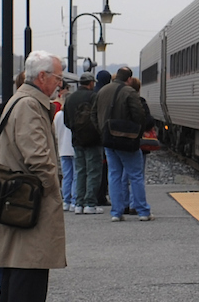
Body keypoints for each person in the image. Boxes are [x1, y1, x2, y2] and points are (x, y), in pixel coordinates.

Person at [0, 51, 67, 302]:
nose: (60, 85)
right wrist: (53, 189)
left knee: (15, 274)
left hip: (17, 200)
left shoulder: (20, 101)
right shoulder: (30, 106)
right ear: (42, 78)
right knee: (29, 274)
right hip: (30, 203)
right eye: (58, 78)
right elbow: (38, 159)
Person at [99, 66, 153, 223]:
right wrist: (137, 133)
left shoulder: (103, 91)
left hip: (108, 139)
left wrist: (103, 132)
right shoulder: (129, 92)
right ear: (129, 79)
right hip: (127, 139)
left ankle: (116, 212)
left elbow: (95, 113)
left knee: (114, 175)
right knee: (135, 175)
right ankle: (143, 211)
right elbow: (139, 115)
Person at [64, 68, 107, 214]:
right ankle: (90, 203)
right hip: (93, 140)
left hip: (76, 140)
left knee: (80, 171)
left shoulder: (70, 98)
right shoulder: (94, 97)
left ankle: (78, 203)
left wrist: (77, 130)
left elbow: (66, 121)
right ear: (90, 83)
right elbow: (99, 117)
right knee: (94, 171)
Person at [53, 90, 77, 208]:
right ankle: (74, 200)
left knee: (67, 176)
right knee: (76, 175)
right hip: (74, 147)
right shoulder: (75, 113)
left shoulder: (58, 115)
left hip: (62, 148)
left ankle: (66, 200)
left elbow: (55, 132)